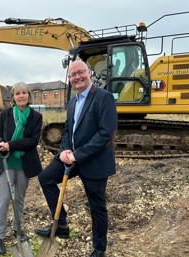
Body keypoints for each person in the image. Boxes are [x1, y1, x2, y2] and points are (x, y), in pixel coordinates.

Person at [34, 60, 118, 257]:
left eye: (80, 72)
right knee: (45, 178)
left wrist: (77, 155)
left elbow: (106, 134)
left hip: (93, 161)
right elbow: (67, 130)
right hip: (71, 157)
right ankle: (61, 223)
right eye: (72, 75)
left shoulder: (103, 98)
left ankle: (99, 248)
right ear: (69, 79)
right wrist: (64, 149)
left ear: (89, 73)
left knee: (96, 206)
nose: (77, 77)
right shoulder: (73, 101)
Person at [0, 82, 43, 255]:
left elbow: (33, 141)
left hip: (23, 164)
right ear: (13, 97)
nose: (21, 96)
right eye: (18, 93)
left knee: (19, 199)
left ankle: (18, 230)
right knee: (3, 200)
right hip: (5, 162)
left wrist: (10, 145)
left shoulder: (36, 117)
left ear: (29, 95)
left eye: (24, 93)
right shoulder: (6, 114)